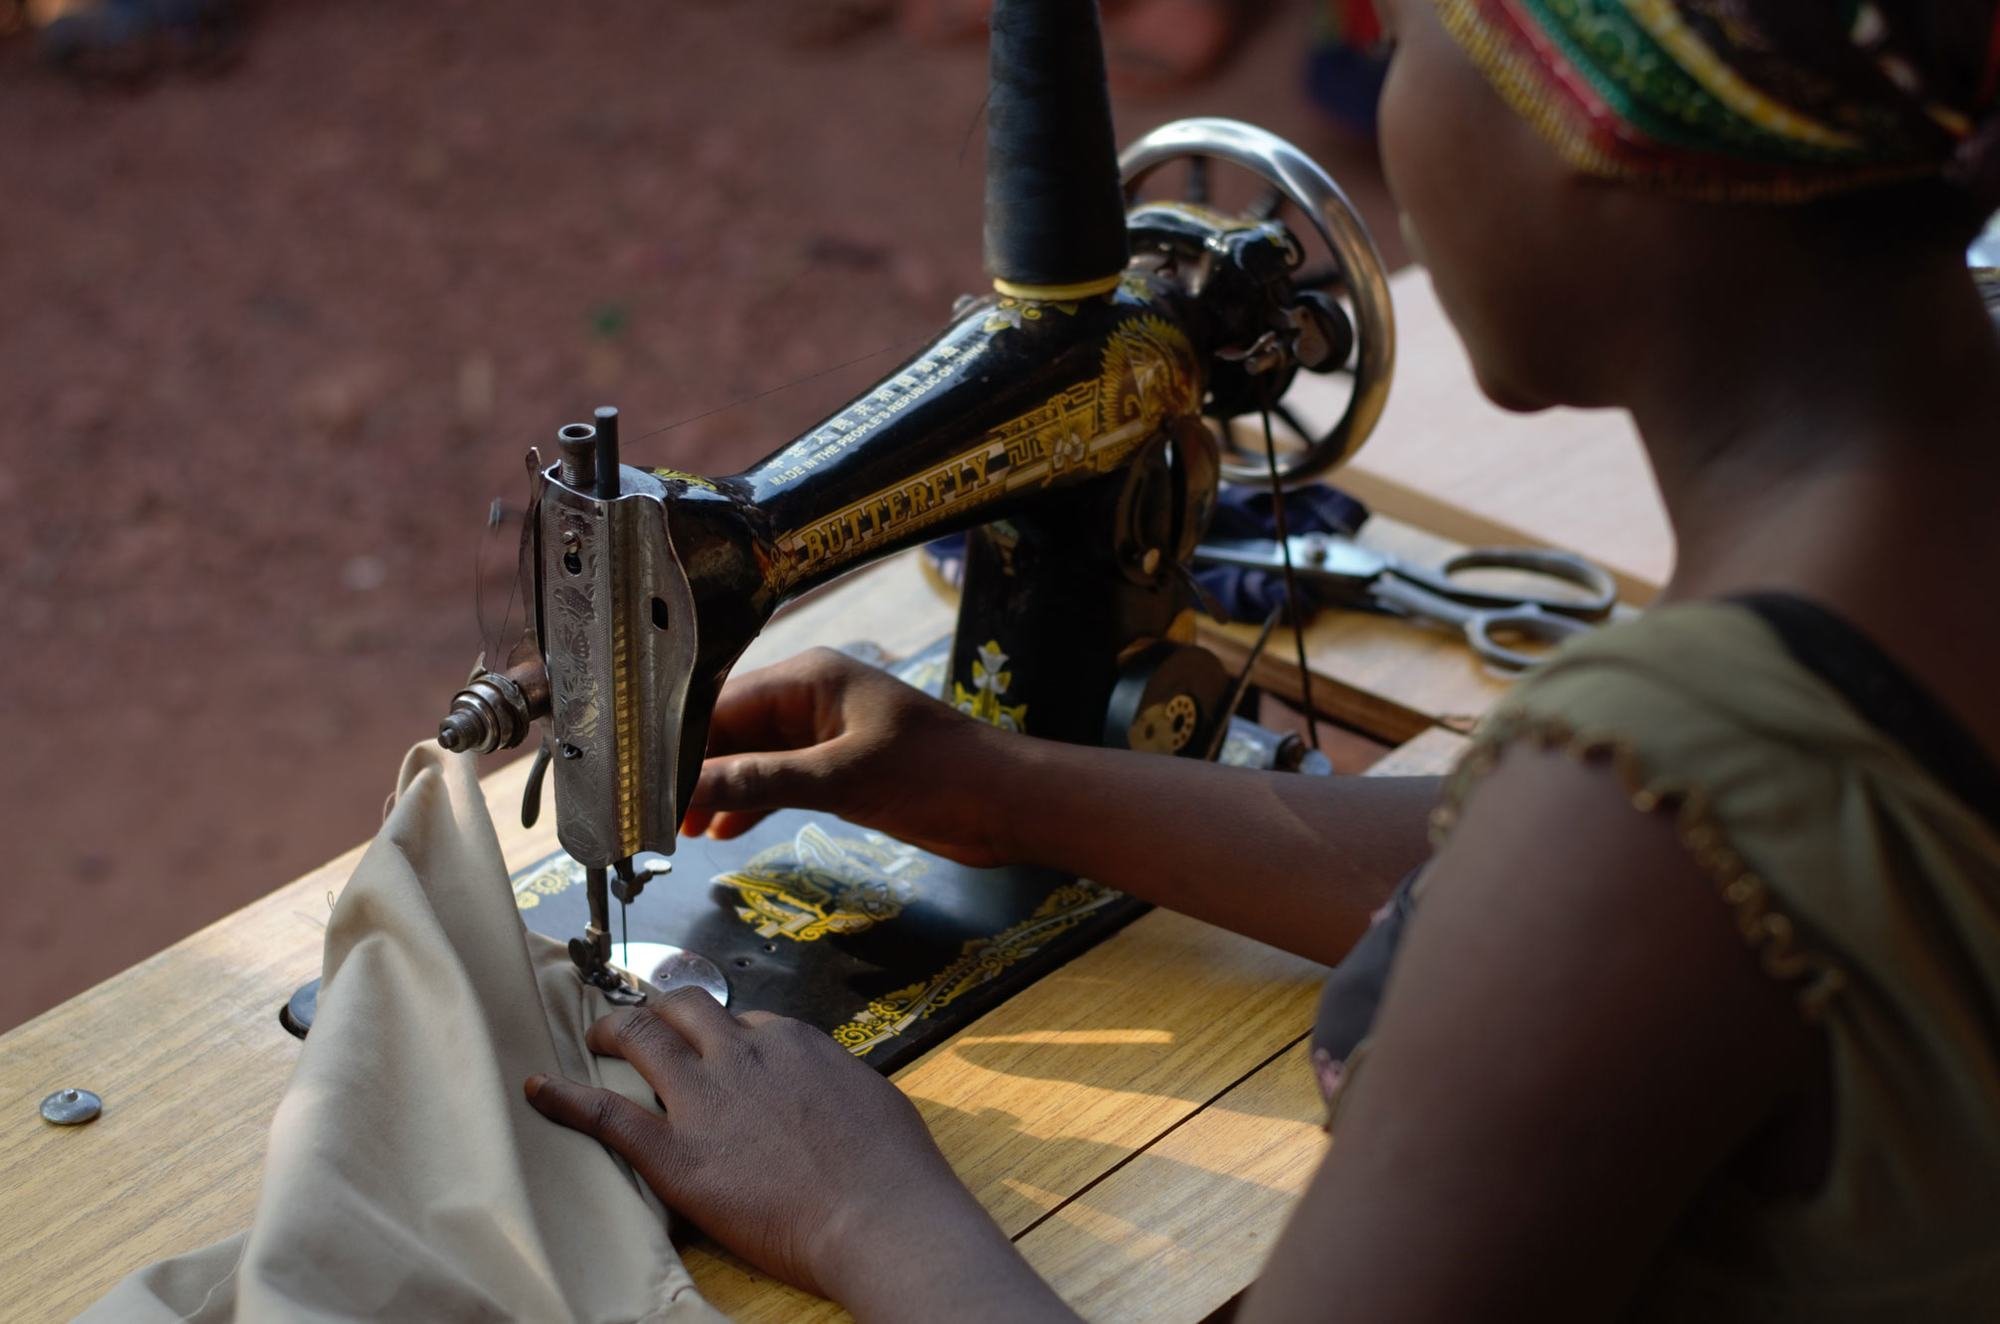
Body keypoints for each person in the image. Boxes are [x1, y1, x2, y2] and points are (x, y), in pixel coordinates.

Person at [524, 0, 2000, 1318]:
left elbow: (1611, 868)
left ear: (1590, 126)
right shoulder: (1868, 597)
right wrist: (996, 785)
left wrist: (858, 1206)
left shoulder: (1646, 814)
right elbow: (1534, 870)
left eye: (1413, 35)